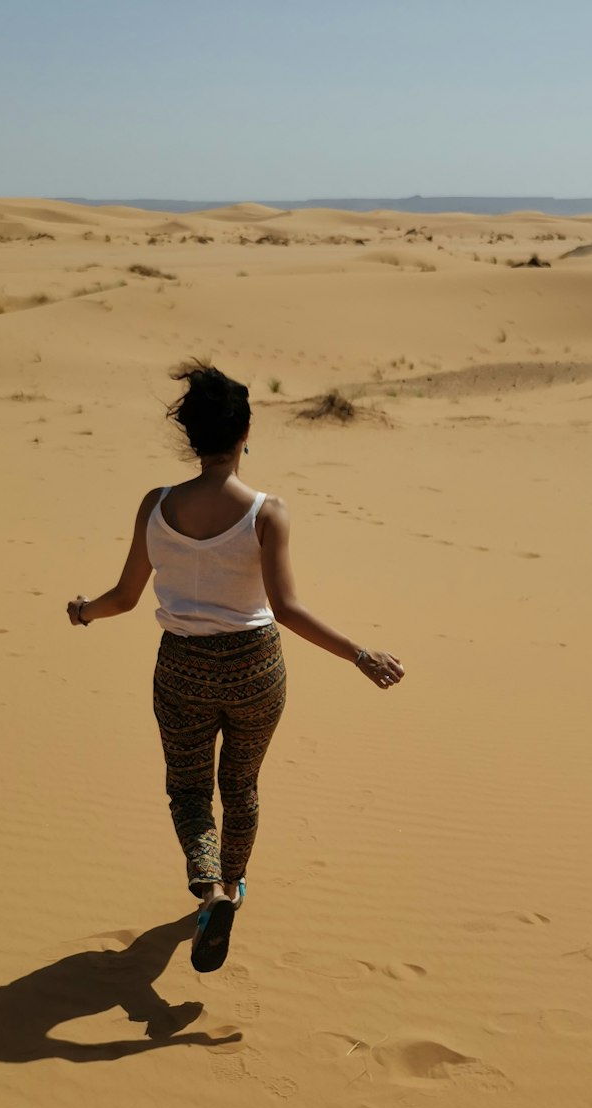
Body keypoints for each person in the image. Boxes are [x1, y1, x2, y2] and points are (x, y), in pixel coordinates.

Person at [66, 362, 404, 972]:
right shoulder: (268, 512)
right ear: (246, 430)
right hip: (255, 667)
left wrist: (84, 612)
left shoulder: (156, 505)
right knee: (240, 786)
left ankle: (209, 890)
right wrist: (360, 655)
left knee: (189, 788)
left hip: (183, 669)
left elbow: (124, 598)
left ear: (192, 438)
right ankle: (236, 884)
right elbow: (288, 610)